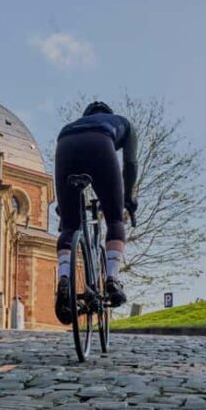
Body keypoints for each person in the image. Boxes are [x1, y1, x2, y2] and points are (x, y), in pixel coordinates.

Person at [54, 101, 138, 324]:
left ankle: (64, 278)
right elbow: (130, 165)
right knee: (115, 220)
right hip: (100, 143)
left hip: (65, 144)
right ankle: (112, 279)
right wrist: (129, 198)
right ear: (109, 114)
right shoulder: (124, 124)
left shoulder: (72, 125)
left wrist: (64, 206)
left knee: (69, 226)